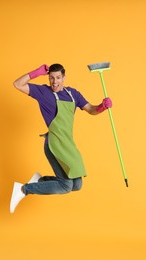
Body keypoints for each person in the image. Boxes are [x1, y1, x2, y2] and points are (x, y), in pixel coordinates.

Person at [10, 63, 112, 213]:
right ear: (48, 78)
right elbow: (17, 84)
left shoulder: (73, 94)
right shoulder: (43, 92)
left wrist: (102, 107)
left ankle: (40, 181)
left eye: (58, 78)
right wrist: (36, 73)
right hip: (54, 144)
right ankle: (23, 189)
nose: (54, 81)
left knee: (77, 185)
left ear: (64, 78)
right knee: (65, 186)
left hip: (67, 143)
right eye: (51, 78)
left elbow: (91, 109)